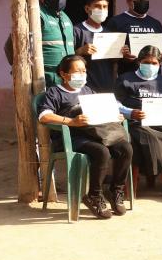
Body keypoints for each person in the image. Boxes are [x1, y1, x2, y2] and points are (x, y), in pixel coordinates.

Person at [37, 54, 132, 219]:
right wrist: (71, 121)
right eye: (77, 71)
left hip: (97, 133)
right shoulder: (55, 93)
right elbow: (44, 116)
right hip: (71, 138)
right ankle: (94, 195)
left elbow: (103, 109)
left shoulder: (88, 90)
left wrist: (115, 115)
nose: (82, 75)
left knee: (126, 148)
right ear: (64, 74)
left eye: (84, 71)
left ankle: (116, 191)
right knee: (101, 152)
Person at [115, 45, 162, 199]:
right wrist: (131, 113)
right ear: (139, 62)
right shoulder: (125, 79)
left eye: (154, 63)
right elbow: (115, 104)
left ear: (160, 64)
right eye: (146, 62)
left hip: (160, 122)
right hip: (136, 124)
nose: (150, 66)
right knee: (151, 138)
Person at [5, 0, 76, 86]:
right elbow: (11, 47)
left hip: (65, 82)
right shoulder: (35, 15)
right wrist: (24, 72)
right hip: (42, 81)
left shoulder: (66, 18)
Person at [106, 0, 162, 75]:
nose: (142, 1)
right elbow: (107, 53)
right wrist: (122, 55)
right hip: (128, 77)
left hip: (154, 78)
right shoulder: (116, 22)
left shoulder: (155, 23)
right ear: (128, 1)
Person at [73, 0, 116, 93]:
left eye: (105, 7)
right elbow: (66, 59)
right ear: (87, 9)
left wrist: (120, 53)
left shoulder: (109, 33)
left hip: (107, 87)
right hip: (84, 87)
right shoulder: (76, 31)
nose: (102, 10)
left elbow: (114, 63)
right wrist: (80, 51)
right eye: (97, 6)